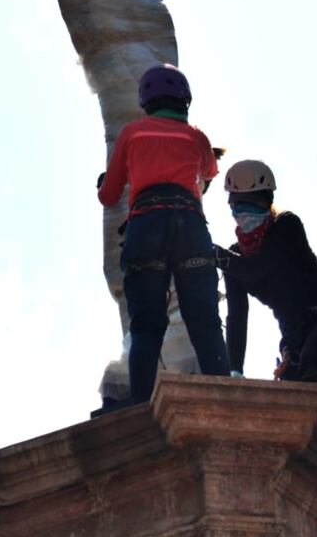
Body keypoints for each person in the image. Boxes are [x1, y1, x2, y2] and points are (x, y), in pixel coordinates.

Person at [96, 64, 230, 406]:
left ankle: (141, 407)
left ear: (145, 101)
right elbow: (209, 172)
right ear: (184, 100)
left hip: (146, 228)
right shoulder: (196, 136)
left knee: (146, 327)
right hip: (189, 226)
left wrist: (113, 180)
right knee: (204, 322)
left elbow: (109, 195)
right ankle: (226, 401)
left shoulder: (132, 134)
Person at [214, 160, 317, 424]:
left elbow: (256, 269)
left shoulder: (287, 227)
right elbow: (237, 317)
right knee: (292, 394)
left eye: (249, 204)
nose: (241, 213)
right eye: (236, 206)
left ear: (266, 202)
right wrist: (234, 372)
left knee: (314, 364)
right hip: (296, 333)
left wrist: (214, 254)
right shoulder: (234, 256)